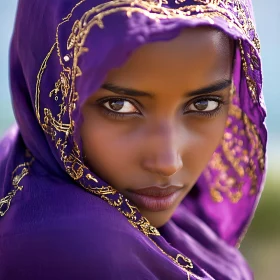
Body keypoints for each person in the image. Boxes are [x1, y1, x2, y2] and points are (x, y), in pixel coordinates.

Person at [0, 0, 266, 279]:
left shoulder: (23, 157)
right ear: (54, 92)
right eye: (119, 106)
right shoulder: (83, 251)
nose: (167, 163)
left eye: (204, 105)